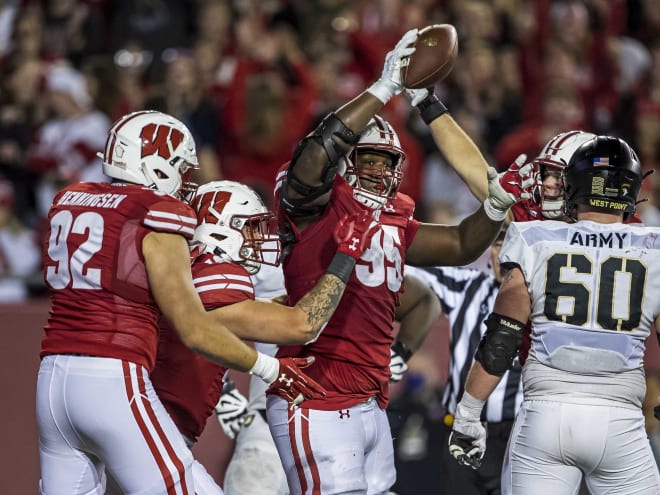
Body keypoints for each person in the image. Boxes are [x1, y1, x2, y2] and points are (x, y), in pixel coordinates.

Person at [36, 110, 370, 494]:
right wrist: (348, 253)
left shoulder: (74, 197)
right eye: (249, 228)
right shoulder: (196, 253)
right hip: (116, 386)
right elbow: (292, 323)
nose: (185, 184)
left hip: (52, 379)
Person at [269, 29, 518, 494]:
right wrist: (383, 89)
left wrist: (494, 207)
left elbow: (463, 244)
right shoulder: (316, 204)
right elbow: (311, 163)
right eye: (370, 159)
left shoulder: (393, 217)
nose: (382, 172)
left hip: (368, 396)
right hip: (315, 390)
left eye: (389, 161)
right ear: (344, 161)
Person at [449, 136, 660, 494]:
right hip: (621, 422)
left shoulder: (534, 237)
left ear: (571, 185)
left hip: (545, 417)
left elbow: (502, 337)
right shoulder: (652, 247)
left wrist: (469, 413)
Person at [150, 179, 377, 493]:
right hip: (157, 433)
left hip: (152, 427)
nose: (259, 239)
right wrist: (347, 254)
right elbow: (303, 325)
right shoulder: (219, 273)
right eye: (250, 228)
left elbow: (230, 315)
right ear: (221, 227)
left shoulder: (191, 268)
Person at [220, 267, 442, 495]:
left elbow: (425, 301)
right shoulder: (264, 257)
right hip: (272, 428)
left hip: (347, 430)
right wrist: (222, 390)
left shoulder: (358, 261)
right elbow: (202, 318)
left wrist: (399, 355)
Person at [401, 230, 523, 495]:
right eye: (498, 243)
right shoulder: (467, 285)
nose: (503, 254)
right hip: (460, 435)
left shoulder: (546, 296)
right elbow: (396, 270)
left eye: (511, 244)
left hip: (515, 438)